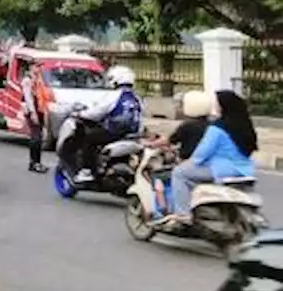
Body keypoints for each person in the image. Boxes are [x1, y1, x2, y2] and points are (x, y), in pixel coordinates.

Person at [165, 90, 257, 225]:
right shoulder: (245, 125)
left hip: (220, 170)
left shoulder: (218, 128)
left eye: (218, 104)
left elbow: (202, 153)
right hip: (245, 170)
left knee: (179, 173)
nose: (216, 107)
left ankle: (182, 214)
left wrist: (190, 162)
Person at [68, 66, 143, 183]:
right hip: (133, 134)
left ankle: (86, 171)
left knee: (89, 139)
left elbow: (97, 112)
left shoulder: (115, 95)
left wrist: (81, 114)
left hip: (114, 132)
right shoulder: (136, 98)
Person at [21, 66, 48, 174]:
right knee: (36, 137)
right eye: (37, 66)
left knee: (39, 136)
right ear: (31, 67)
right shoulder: (27, 80)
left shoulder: (38, 79)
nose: (39, 68)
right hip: (33, 110)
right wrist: (33, 113)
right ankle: (34, 163)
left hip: (39, 109)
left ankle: (37, 162)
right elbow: (28, 98)